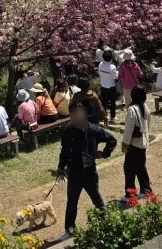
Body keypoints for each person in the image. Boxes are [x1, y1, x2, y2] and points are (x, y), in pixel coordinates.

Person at [56, 102, 117, 241]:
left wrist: (104, 154)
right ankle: (69, 230)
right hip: (72, 172)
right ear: (71, 115)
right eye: (74, 114)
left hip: (88, 172)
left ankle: (104, 224)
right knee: (71, 202)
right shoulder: (67, 130)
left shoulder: (93, 129)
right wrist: (61, 166)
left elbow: (112, 140)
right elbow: (64, 151)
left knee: (97, 199)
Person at [120, 86, 151, 200]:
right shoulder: (145, 107)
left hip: (134, 144)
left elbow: (128, 129)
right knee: (141, 167)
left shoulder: (132, 109)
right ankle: (146, 190)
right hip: (143, 142)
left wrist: (125, 145)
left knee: (129, 169)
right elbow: (148, 125)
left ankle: (130, 195)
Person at [97, 49, 119, 124]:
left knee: (103, 102)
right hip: (111, 86)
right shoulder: (112, 67)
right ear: (111, 58)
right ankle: (112, 117)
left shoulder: (100, 64)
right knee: (113, 102)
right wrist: (117, 72)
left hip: (103, 85)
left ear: (103, 57)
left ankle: (104, 116)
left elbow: (100, 74)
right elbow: (115, 77)